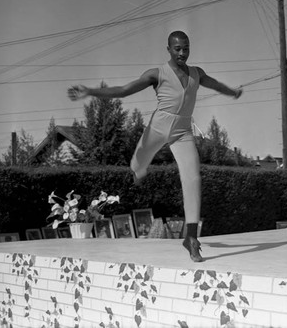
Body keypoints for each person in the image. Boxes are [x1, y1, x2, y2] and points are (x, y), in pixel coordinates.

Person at [67, 30, 243, 262]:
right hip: (158, 126)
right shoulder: (157, 74)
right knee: (139, 161)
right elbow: (123, 91)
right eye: (177, 48)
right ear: (168, 49)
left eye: (186, 48)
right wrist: (90, 91)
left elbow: (216, 84)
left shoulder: (196, 74)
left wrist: (232, 92)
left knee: (192, 178)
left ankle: (191, 238)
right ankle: (138, 171)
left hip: (182, 131)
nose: (182, 53)